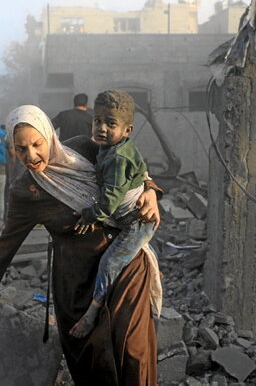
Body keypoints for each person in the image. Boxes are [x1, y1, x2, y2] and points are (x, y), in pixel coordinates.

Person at [0, 105, 162, 385]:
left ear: (49, 137)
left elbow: (128, 162)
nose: (31, 156)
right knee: (93, 361)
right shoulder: (25, 191)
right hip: (76, 282)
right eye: (21, 149)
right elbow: (8, 241)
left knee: (132, 350)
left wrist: (150, 190)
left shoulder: (83, 149)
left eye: (37, 144)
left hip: (125, 264)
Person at [70, 90, 156, 339]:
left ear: (127, 131)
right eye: (98, 121)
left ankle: (92, 312)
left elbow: (107, 205)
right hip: (124, 215)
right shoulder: (108, 148)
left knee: (109, 263)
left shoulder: (117, 157)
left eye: (111, 123)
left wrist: (88, 215)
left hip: (135, 223)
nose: (102, 128)